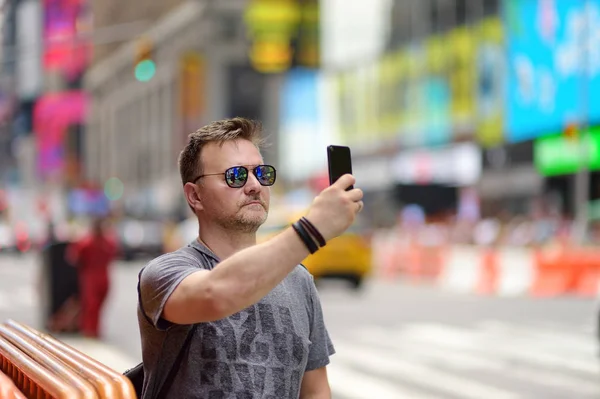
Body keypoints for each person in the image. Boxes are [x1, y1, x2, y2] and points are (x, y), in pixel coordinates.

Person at [137, 117, 363, 398]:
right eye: (236, 175)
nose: (255, 185)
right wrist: (312, 230)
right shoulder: (165, 272)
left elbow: (315, 390)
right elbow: (216, 295)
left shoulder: (299, 280)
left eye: (262, 173)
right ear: (195, 196)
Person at [68, 217, 119, 338]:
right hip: (97, 275)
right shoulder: (104, 242)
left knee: (93, 305)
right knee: (93, 305)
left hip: (94, 276)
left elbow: (73, 257)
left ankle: (91, 330)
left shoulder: (88, 242)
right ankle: (90, 330)